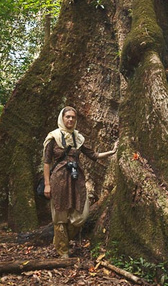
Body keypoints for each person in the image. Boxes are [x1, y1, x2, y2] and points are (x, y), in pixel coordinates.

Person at [42, 107, 116, 257]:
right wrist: (47, 184)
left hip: (76, 179)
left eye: (73, 117)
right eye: (67, 117)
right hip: (58, 180)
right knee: (60, 215)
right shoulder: (53, 137)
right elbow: (46, 162)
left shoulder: (78, 138)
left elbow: (93, 155)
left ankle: (59, 241)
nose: (70, 120)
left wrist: (112, 152)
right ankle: (63, 252)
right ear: (62, 118)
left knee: (81, 215)